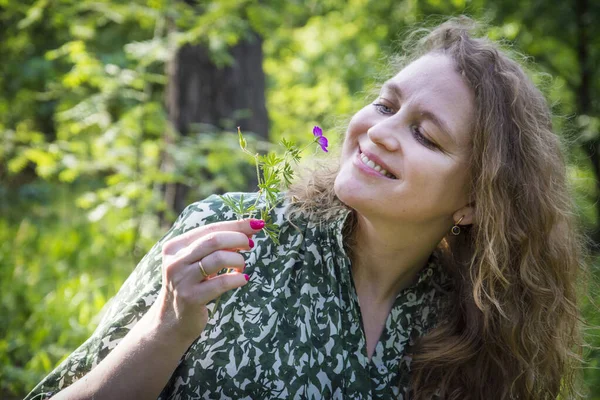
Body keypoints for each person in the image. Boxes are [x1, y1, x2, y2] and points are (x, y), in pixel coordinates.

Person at [26, 16, 585, 400]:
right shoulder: (230, 239)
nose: (380, 131)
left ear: (471, 202)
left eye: (427, 136)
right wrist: (164, 329)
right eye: (385, 104)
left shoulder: (472, 326)